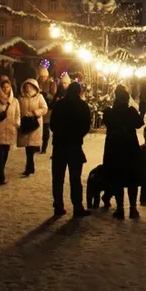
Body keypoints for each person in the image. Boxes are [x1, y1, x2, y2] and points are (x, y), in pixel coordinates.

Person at [49, 82, 92, 217]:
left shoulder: (60, 105)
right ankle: (77, 206)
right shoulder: (82, 106)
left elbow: (52, 124)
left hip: (60, 145)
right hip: (74, 146)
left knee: (58, 177)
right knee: (75, 178)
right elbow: (86, 125)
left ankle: (58, 204)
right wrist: (77, 135)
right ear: (79, 92)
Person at [101, 85, 143, 220]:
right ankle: (133, 208)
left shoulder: (109, 113)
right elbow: (139, 123)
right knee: (132, 179)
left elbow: (107, 122)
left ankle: (120, 208)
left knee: (117, 178)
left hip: (114, 148)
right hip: (130, 147)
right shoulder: (131, 112)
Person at [0, 77, 21, 185]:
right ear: (0, 88)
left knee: (5, 153)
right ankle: (1, 175)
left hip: (10, 130)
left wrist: (17, 123)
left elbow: (17, 114)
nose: (6, 89)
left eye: (7, 87)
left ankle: (0, 171)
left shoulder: (14, 101)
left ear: (10, 87)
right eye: (4, 87)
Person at [16, 78, 47, 177]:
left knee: (30, 147)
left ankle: (29, 167)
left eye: (30, 86)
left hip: (35, 125)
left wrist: (34, 113)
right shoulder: (20, 98)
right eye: (26, 86)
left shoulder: (39, 97)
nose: (28, 87)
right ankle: (30, 167)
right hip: (25, 124)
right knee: (27, 147)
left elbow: (44, 109)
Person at [37, 66, 57, 154]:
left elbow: (53, 96)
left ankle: (44, 147)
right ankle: (37, 146)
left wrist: (45, 94)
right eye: (41, 77)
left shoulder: (51, 84)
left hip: (47, 109)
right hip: (37, 108)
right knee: (37, 129)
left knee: (45, 129)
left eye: (44, 77)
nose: (42, 78)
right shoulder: (36, 82)